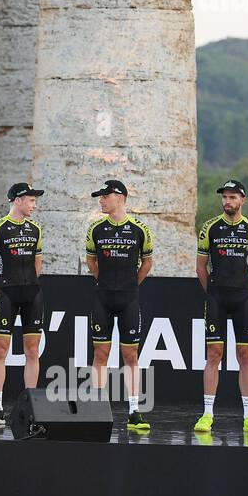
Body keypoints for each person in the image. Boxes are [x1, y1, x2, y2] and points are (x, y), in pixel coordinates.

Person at [194, 180, 248, 434]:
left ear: (243, 200)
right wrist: (212, 290)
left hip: (242, 298)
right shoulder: (210, 228)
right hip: (216, 297)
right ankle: (207, 414)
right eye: (225, 197)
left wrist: (245, 289)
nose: (228, 201)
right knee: (214, 354)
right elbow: (200, 267)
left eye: (233, 197)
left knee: (245, 356)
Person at [84, 179, 153, 432]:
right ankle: (96, 409)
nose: (101, 201)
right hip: (103, 297)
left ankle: (134, 411)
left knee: (130, 356)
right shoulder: (96, 229)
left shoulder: (139, 229)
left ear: (119, 197)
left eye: (104, 196)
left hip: (128, 298)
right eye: (100, 197)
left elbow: (147, 263)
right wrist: (104, 280)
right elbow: (91, 261)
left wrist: (131, 283)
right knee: (100, 355)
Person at [0, 182, 45, 428]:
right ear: (17, 200)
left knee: (32, 351)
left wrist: (30, 286)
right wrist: (0, 293)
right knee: (0, 350)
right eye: (30, 200)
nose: (34, 204)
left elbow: (38, 265)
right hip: (6, 293)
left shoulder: (36, 228)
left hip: (32, 295)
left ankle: (31, 409)